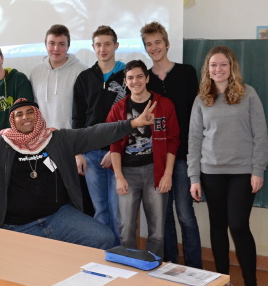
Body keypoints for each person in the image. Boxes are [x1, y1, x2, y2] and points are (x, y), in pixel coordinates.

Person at [0, 98, 158, 248]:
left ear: (37, 115)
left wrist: (133, 123)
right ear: (13, 121)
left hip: (58, 217)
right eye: (18, 114)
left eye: (29, 112)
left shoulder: (58, 139)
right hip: (17, 227)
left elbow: (95, 133)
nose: (24, 117)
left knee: (104, 237)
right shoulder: (0, 145)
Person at [188, 46, 268, 286]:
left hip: (242, 172)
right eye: (213, 65)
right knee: (217, 225)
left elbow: (260, 135)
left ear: (232, 67)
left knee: (238, 225)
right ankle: (222, 280)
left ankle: (251, 285)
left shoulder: (248, 94)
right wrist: (194, 177)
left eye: (223, 64)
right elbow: (194, 140)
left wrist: (258, 170)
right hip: (211, 172)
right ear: (207, 69)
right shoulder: (202, 99)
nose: (218, 69)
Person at [143, 21, 202, 268]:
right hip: (157, 158)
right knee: (163, 216)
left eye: (158, 42)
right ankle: (169, 266)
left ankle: (195, 269)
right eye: (149, 44)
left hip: (184, 155)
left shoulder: (186, 72)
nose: (154, 47)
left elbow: (197, 114)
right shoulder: (145, 80)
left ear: (167, 44)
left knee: (185, 215)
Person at [108, 60, 179, 258]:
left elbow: (173, 141)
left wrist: (167, 174)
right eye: (130, 78)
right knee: (126, 227)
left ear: (147, 78)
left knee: (157, 231)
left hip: (155, 171)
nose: (135, 81)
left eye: (140, 76)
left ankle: (152, 267)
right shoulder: (118, 109)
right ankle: (131, 266)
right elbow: (114, 144)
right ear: (125, 82)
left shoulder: (164, 105)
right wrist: (119, 176)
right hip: (127, 173)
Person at [72, 25, 128, 244]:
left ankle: (120, 255)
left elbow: (131, 118)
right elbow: (77, 119)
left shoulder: (128, 76)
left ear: (116, 46)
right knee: (100, 211)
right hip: (91, 155)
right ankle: (104, 256)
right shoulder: (84, 78)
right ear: (93, 47)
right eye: (98, 45)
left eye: (107, 44)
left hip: (118, 154)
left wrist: (115, 150)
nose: (102, 49)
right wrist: (78, 153)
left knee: (118, 212)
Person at [29, 24, 86, 129]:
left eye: (61, 44)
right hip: (42, 135)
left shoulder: (81, 71)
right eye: (52, 43)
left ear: (68, 46)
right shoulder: (35, 71)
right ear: (46, 45)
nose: (56, 48)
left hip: (71, 134)